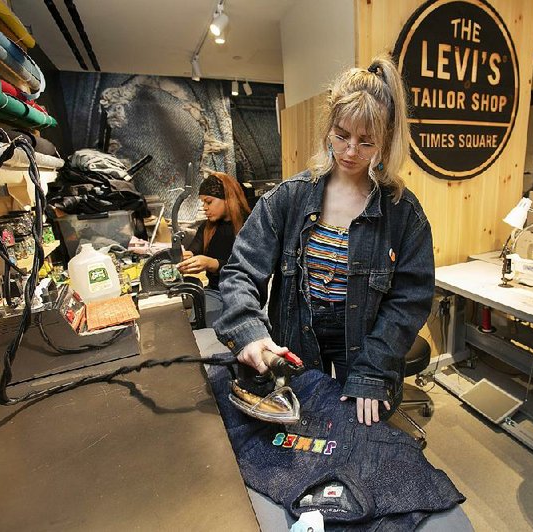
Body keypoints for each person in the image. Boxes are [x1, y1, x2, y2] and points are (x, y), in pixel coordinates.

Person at [214, 55, 435, 426]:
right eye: (341, 136)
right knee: (302, 431)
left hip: (366, 345)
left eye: (366, 143)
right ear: (328, 127)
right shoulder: (288, 198)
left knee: (357, 437)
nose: (350, 152)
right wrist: (249, 333)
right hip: (296, 338)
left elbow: (410, 301)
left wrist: (374, 370)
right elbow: (239, 274)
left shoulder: (403, 214)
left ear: (387, 140)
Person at [179, 172, 251, 324]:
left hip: (243, 292)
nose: (204, 208)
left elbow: (248, 269)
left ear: (227, 199)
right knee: (198, 330)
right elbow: (194, 250)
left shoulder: (249, 227)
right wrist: (187, 257)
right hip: (214, 291)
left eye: (209, 202)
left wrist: (212, 264)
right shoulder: (206, 228)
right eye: (203, 203)